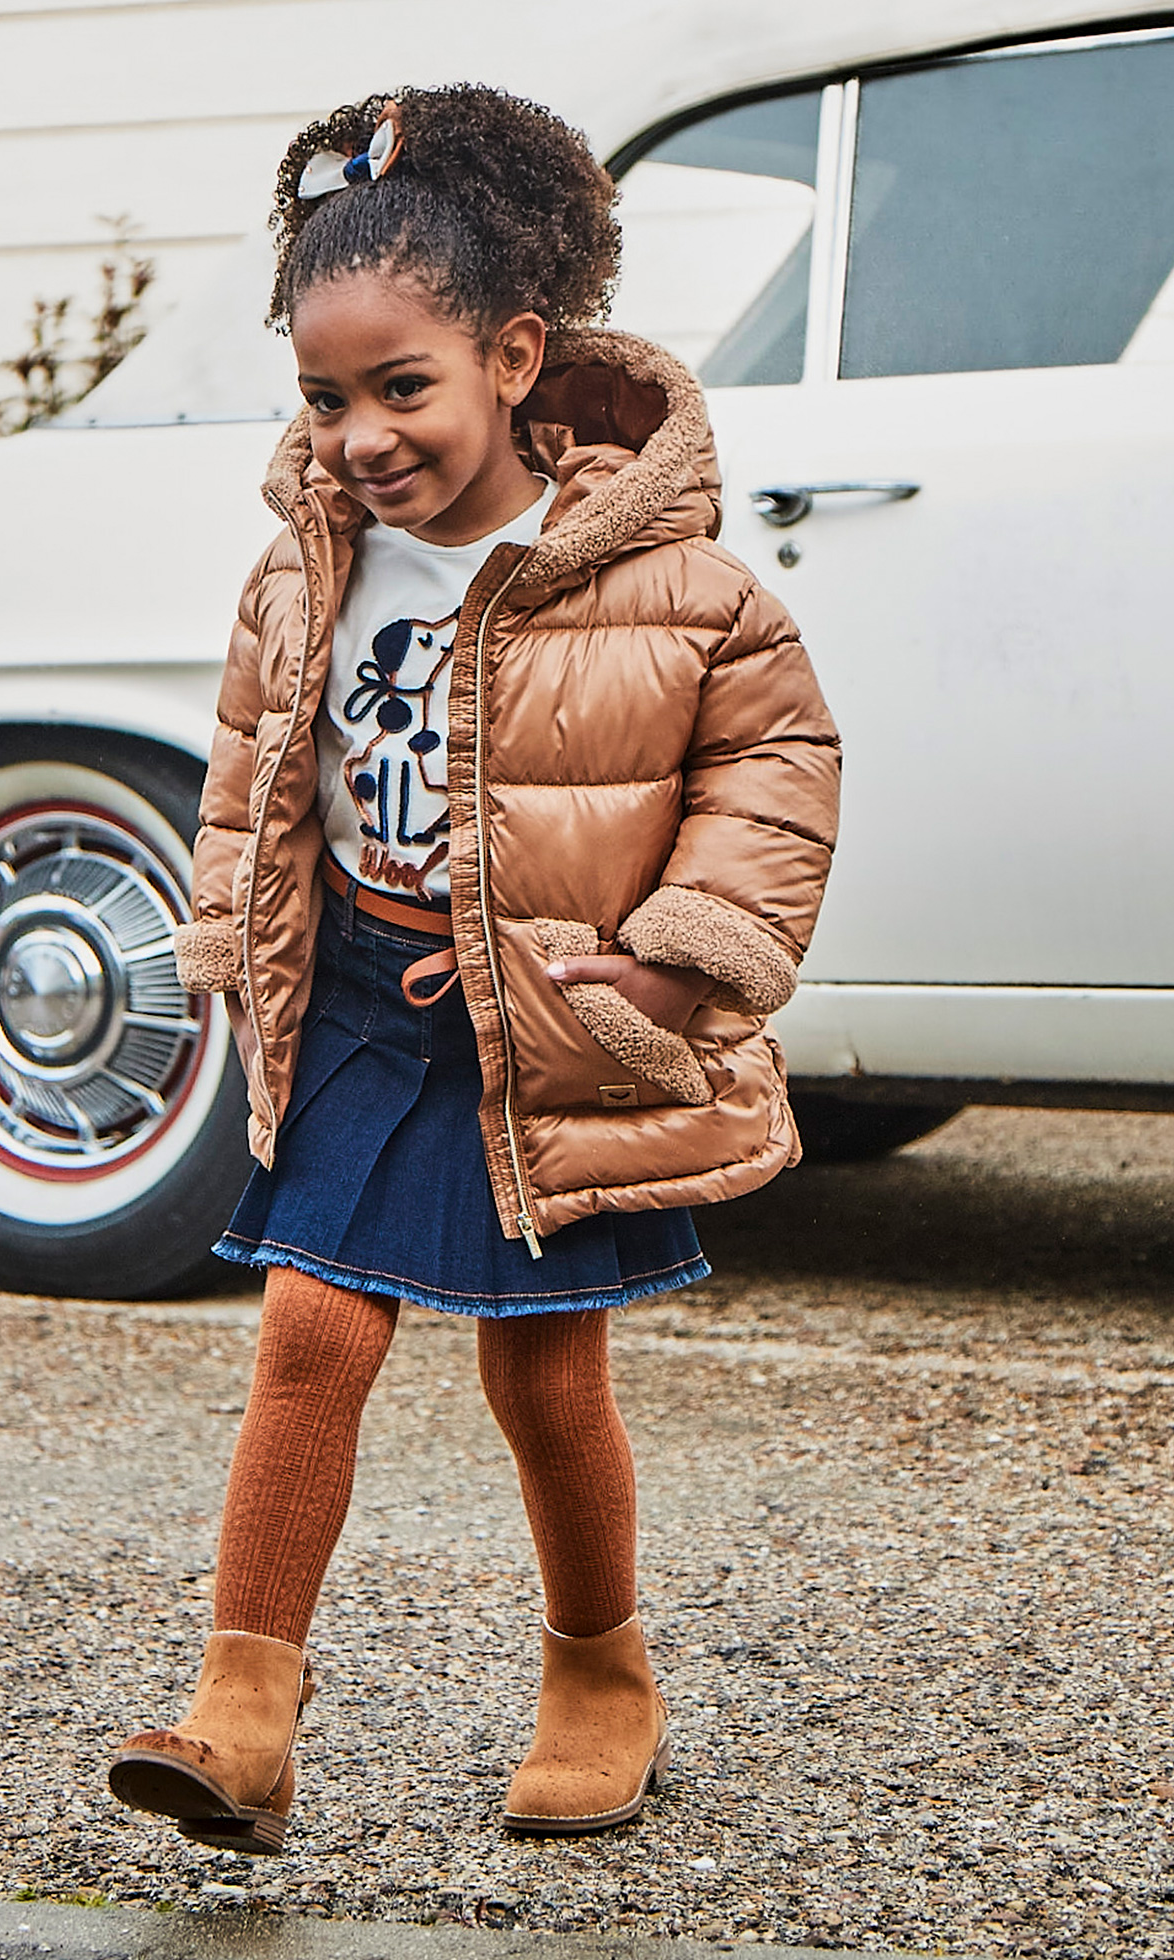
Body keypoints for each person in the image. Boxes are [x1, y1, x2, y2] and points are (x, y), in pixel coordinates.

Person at [108, 83, 840, 1854]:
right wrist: (231, 925)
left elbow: (773, 779)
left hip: (556, 1019)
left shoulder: (675, 588)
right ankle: (242, 1711)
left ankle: (601, 1671)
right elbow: (249, 759)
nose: (359, 435)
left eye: (401, 387)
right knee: (307, 1332)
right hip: (368, 991)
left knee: (542, 1372)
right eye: (323, 396)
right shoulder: (305, 573)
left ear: (517, 356)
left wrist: (678, 971)